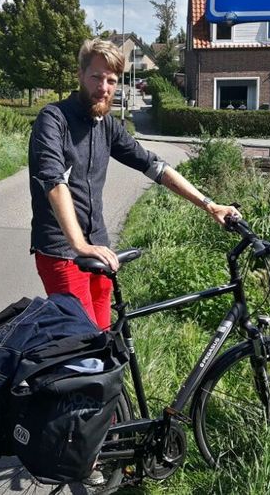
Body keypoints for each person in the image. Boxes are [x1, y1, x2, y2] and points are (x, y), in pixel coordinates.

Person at [28, 38, 240, 330]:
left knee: (102, 339)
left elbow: (155, 166)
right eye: (96, 77)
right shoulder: (54, 119)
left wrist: (209, 205)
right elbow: (53, 181)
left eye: (111, 80)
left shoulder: (108, 126)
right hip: (62, 252)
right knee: (81, 344)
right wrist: (78, 245)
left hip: (99, 248)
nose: (104, 87)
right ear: (80, 75)